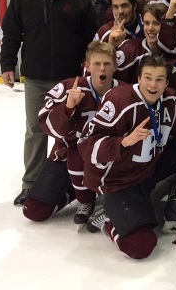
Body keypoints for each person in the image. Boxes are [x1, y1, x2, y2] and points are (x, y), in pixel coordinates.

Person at [0, 0, 98, 206]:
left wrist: (88, 67)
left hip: (70, 80)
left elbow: (92, 38)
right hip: (36, 78)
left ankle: (76, 182)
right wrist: (7, 64)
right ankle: (30, 183)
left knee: (72, 131)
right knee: (35, 129)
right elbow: (11, 33)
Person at [78, 55, 176, 259]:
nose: (153, 84)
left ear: (167, 82)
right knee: (141, 245)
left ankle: (175, 199)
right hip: (117, 180)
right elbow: (85, 143)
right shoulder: (119, 100)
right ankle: (107, 219)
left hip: (146, 170)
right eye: (148, 77)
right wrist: (123, 142)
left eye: (159, 79)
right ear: (138, 79)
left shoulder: (173, 101)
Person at [22, 41, 122, 225]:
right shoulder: (69, 88)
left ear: (115, 66)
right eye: (97, 64)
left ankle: (90, 192)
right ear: (87, 66)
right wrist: (68, 107)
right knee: (34, 211)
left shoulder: (124, 92)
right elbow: (47, 126)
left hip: (107, 159)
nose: (102, 69)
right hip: (68, 156)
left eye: (107, 64)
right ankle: (77, 192)